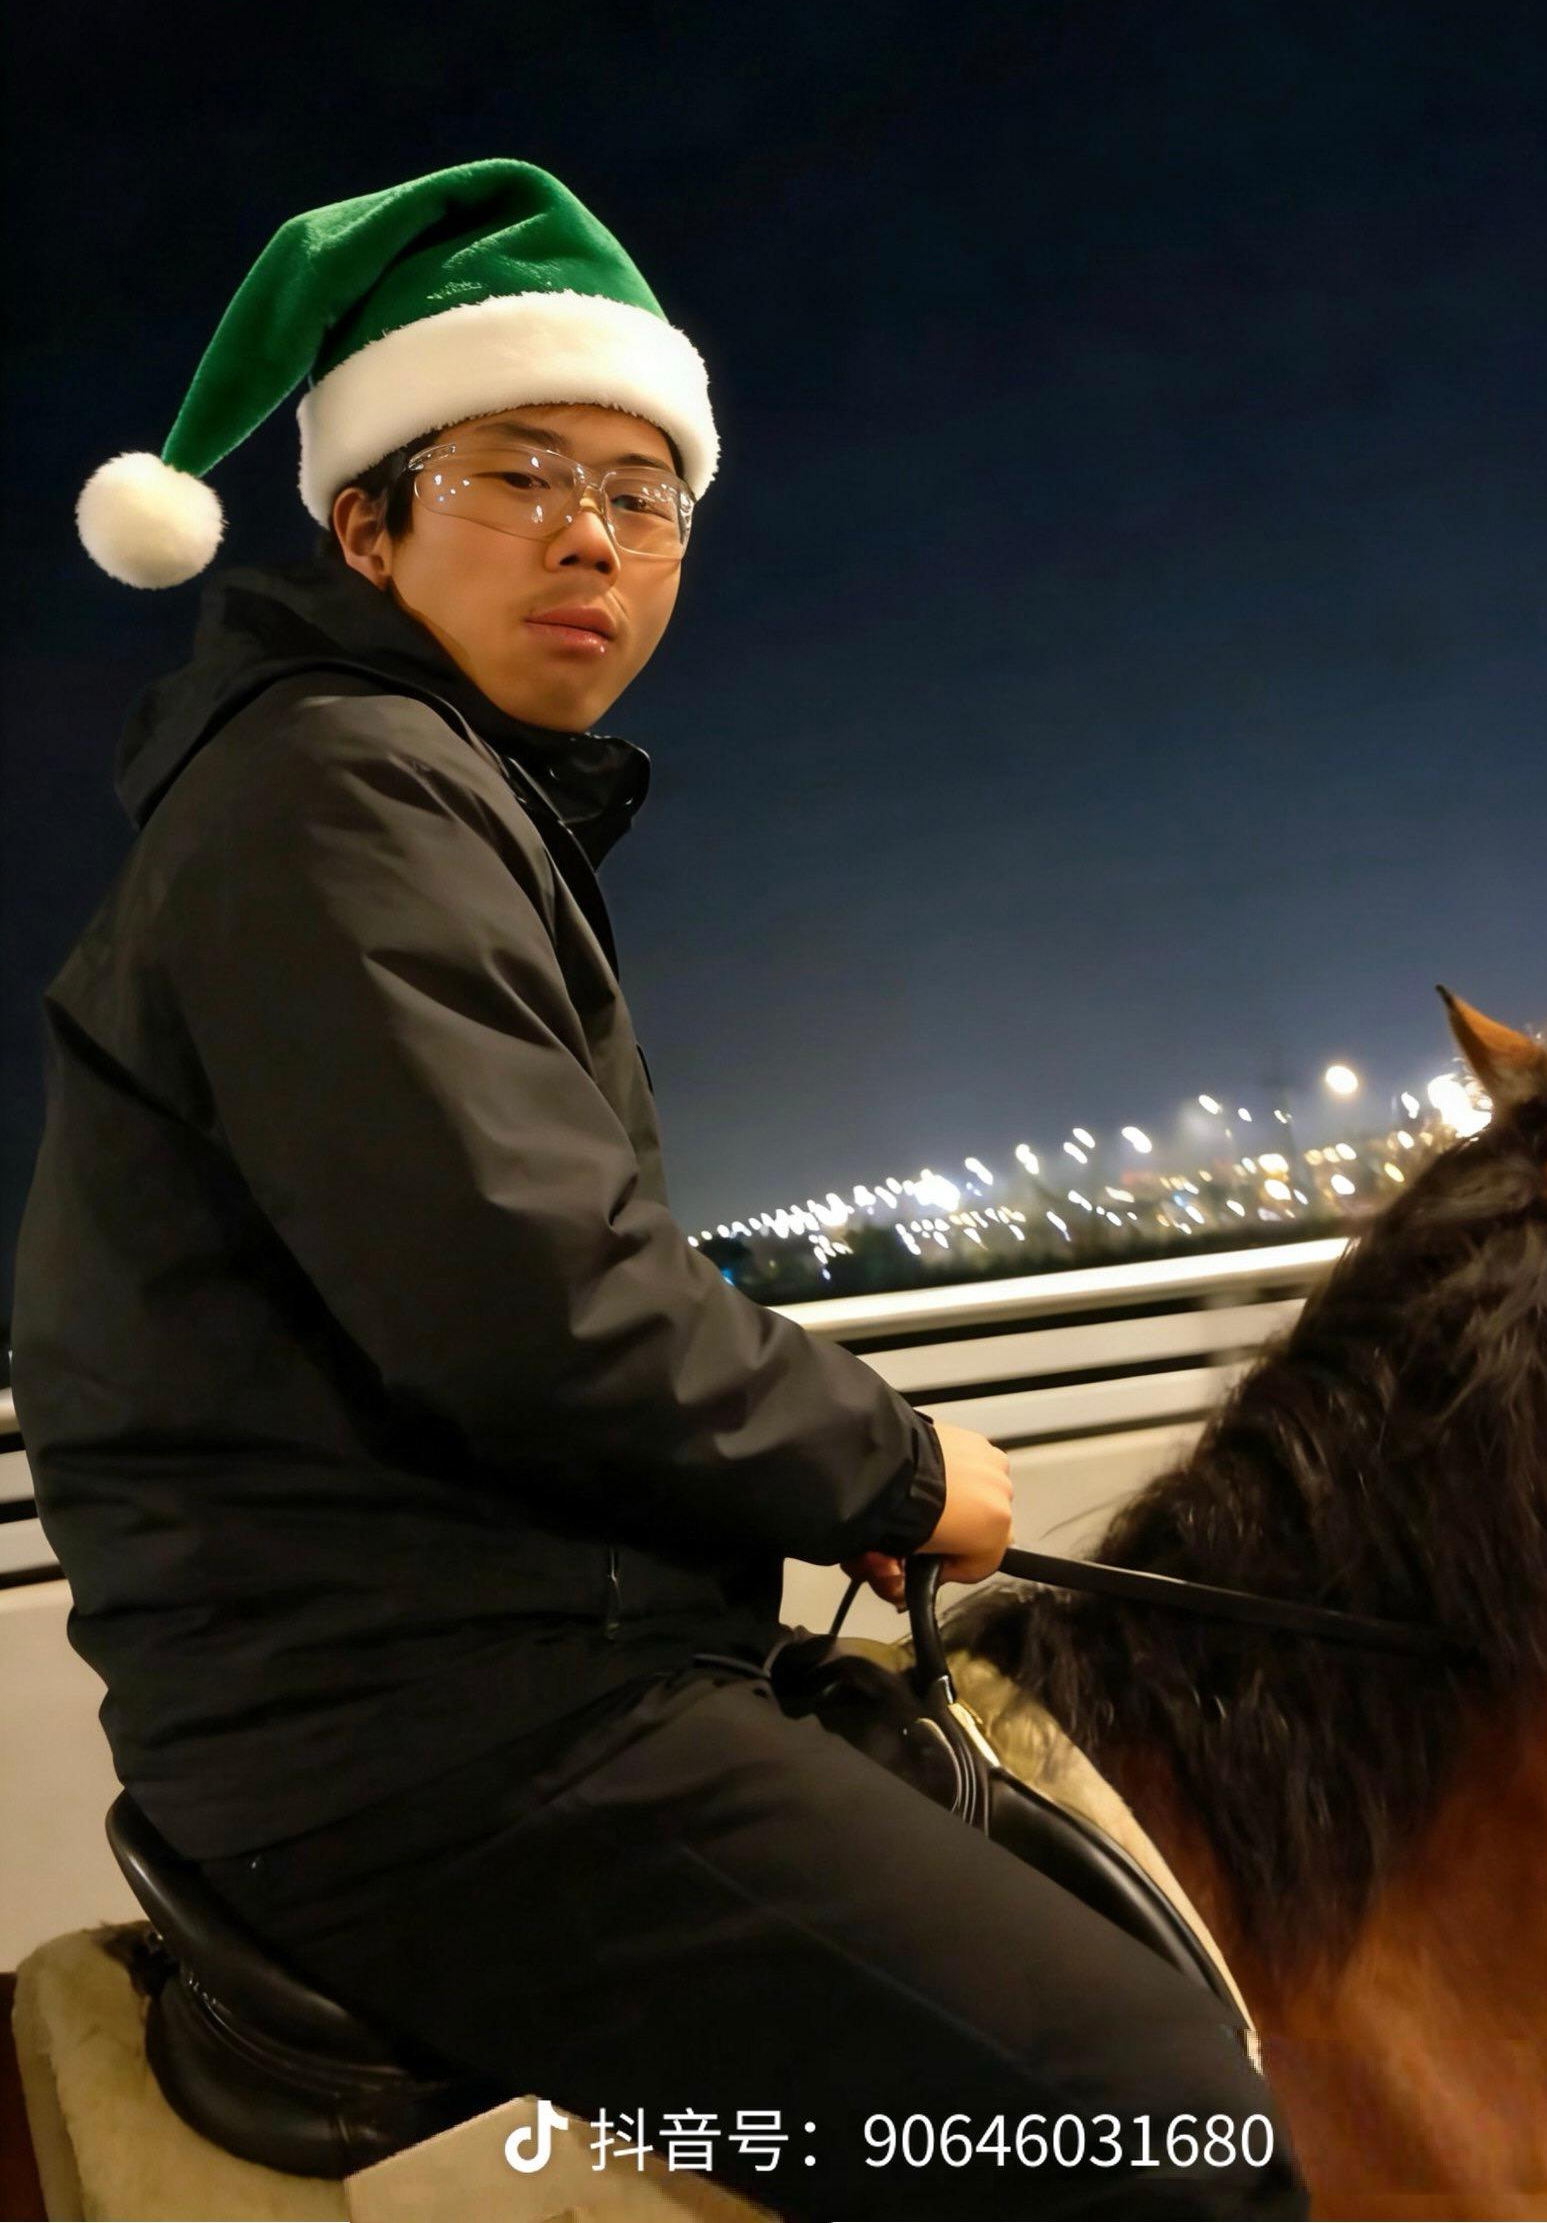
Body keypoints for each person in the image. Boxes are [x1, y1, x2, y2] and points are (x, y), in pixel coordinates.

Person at [11, 160, 1306, 2221]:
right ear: (364, 524)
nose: (593, 535)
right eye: (520, 474)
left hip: (489, 1668)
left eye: (644, 492)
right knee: (1158, 2123)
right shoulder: (337, 788)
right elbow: (533, 1303)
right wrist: (899, 1466)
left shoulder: (399, 784)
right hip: (438, 1736)